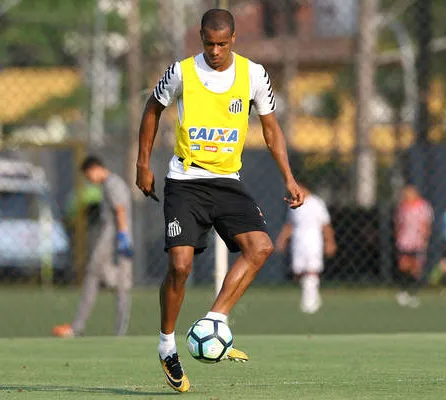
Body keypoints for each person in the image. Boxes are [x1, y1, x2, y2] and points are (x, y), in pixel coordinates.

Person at [135, 9, 303, 393]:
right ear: (200, 38)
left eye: (221, 44)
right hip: (186, 181)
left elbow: (272, 129)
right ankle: (166, 345)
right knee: (179, 266)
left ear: (233, 40)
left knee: (260, 247)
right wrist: (143, 163)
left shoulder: (254, 75)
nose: (214, 51)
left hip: (227, 181)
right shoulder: (181, 72)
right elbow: (152, 109)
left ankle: (215, 320)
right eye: (208, 43)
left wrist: (289, 178)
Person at [53, 156, 133, 338]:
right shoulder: (108, 184)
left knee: (98, 276)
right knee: (117, 282)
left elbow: (120, 210)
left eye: (88, 175)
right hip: (116, 239)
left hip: (113, 239)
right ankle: (114, 331)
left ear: (95, 169)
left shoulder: (112, 183)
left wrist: (123, 236)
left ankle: (78, 327)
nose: (89, 179)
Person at [275, 183, 336, 313]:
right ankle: (311, 296)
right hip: (298, 241)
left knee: (312, 269)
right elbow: (289, 225)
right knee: (299, 271)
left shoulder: (316, 203)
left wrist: (329, 242)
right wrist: (282, 239)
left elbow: (325, 225)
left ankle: (310, 302)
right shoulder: (294, 205)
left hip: (313, 240)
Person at [394, 185, 433, 308]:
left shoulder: (423, 206)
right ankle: (403, 290)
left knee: (416, 267)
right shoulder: (402, 207)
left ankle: (414, 293)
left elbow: (426, 224)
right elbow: (398, 223)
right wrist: (398, 236)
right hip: (405, 241)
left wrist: (425, 238)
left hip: (417, 241)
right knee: (404, 265)